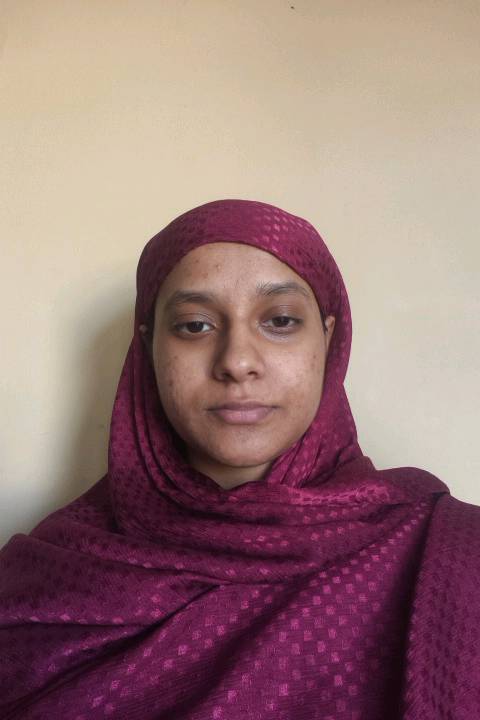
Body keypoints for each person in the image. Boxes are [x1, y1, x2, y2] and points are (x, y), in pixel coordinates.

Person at [0, 199, 478, 720]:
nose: (237, 361)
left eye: (280, 320)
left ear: (328, 338)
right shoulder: (45, 580)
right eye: (194, 326)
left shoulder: (451, 554)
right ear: (148, 347)